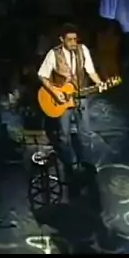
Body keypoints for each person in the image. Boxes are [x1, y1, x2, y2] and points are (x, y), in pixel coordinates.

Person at [38, 23, 103, 179]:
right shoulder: (54, 54)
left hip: (80, 97)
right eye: (70, 40)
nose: (73, 43)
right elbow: (42, 75)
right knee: (64, 135)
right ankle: (70, 163)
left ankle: (87, 162)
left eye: (75, 39)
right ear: (62, 39)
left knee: (85, 132)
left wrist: (99, 82)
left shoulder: (82, 50)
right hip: (61, 99)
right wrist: (54, 92)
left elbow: (91, 71)